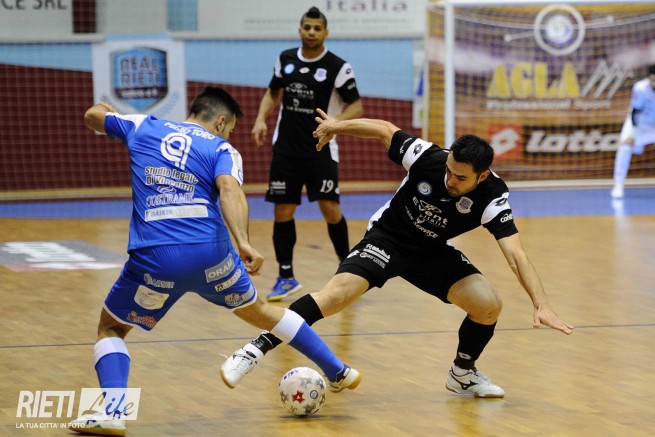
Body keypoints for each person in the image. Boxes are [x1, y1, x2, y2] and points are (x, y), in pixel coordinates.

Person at [222, 108, 574, 398]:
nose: (450, 180)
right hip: (387, 239)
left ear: (482, 177)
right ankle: (255, 348)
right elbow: (384, 129)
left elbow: (515, 255)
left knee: (488, 305)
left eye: (460, 178)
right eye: (449, 171)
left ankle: (462, 373)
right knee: (336, 295)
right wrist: (337, 126)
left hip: (431, 251)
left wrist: (541, 303)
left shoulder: (493, 196)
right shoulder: (428, 157)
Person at [68, 89, 361, 436]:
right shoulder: (222, 149)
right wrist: (244, 242)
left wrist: (107, 108)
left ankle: (113, 411)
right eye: (231, 129)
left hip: (157, 256)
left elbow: (92, 116)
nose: (230, 135)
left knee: (112, 329)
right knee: (263, 312)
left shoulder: (142, 126)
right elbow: (229, 190)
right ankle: (339, 370)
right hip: (213, 256)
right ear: (221, 121)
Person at [251, 6, 364, 301]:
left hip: (320, 150)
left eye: (317, 28)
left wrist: (335, 125)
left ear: (326, 32)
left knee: (330, 209)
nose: (311, 32)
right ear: (300, 30)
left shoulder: (338, 66)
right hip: (286, 150)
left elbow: (356, 106)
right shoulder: (285, 59)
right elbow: (273, 92)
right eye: (307, 27)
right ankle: (285, 277)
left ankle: (349, 272)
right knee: (282, 211)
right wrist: (261, 118)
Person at [611, 63, 655, 198]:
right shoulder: (640, 88)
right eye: (653, 79)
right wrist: (633, 135)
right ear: (649, 78)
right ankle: (618, 185)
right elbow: (635, 112)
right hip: (639, 123)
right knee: (626, 145)